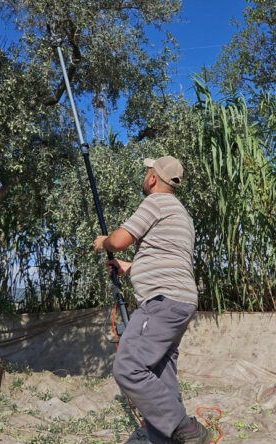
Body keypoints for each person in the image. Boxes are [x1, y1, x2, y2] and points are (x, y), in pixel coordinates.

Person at [93, 156, 209, 444]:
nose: (145, 177)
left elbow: (119, 240)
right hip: (180, 302)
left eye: (148, 172)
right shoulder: (181, 214)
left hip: (161, 302)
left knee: (128, 367)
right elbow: (167, 258)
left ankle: (185, 427)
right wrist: (129, 267)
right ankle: (169, 439)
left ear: (154, 178)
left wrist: (103, 242)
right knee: (160, 374)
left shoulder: (155, 203)